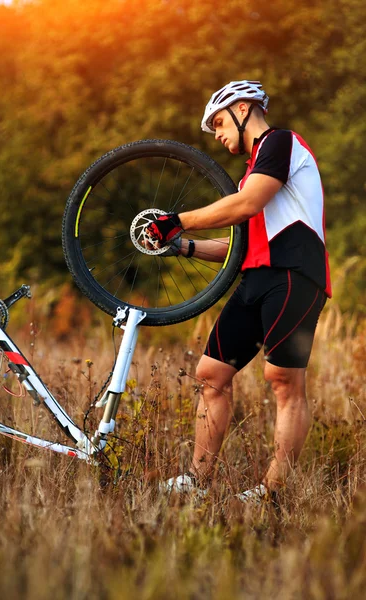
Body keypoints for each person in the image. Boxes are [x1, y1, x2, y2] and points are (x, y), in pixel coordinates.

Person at [145, 80, 331, 502]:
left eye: (218, 122)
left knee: (283, 381)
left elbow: (246, 206)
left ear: (243, 108)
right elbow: (237, 248)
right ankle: (196, 479)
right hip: (257, 277)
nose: (217, 134)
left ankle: (272, 492)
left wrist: (179, 219)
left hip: (295, 273)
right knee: (211, 375)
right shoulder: (253, 173)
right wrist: (182, 245)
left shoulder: (279, 143)